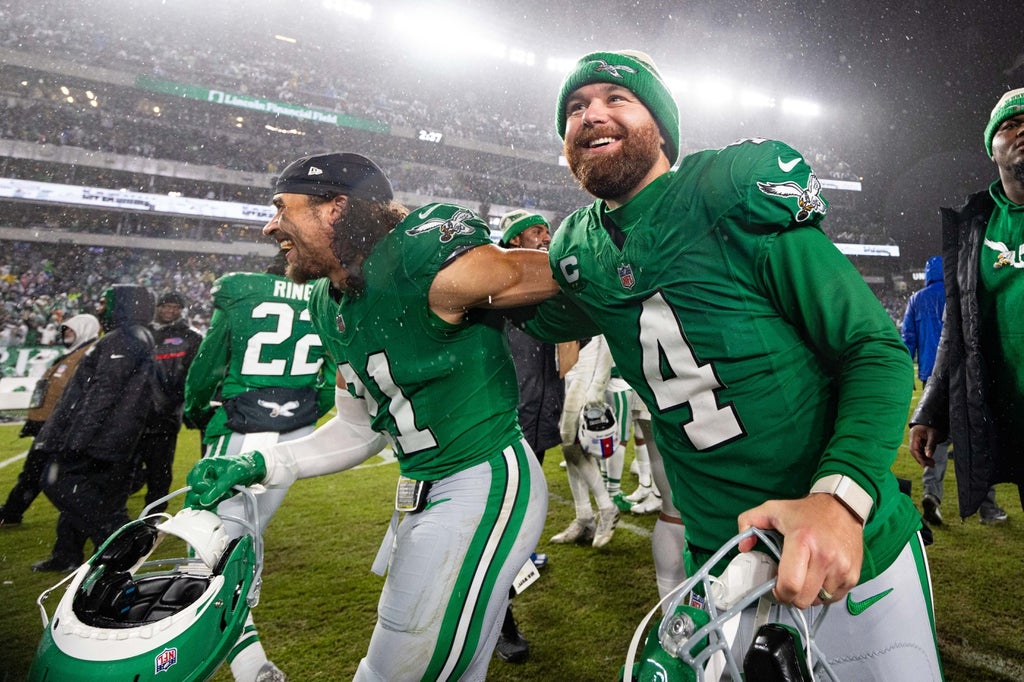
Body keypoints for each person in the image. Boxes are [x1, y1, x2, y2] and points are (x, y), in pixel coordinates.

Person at [519, 50, 941, 678]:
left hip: (843, 544)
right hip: (720, 557)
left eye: (615, 98)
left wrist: (839, 500)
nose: (591, 114)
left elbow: (873, 348)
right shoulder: (580, 249)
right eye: (575, 108)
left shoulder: (726, 195)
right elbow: (517, 306)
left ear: (659, 124)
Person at [185, 152, 557, 681]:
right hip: (419, 491)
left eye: (281, 207)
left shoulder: (419, 256)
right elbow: (358, 428)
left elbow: (566, 274)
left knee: (395, 668)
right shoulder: (323, 299)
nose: (270, 225)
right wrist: (263, 463)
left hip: (482, 479)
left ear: (335, 208)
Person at [183, 253, 334, 682]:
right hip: (293, 433)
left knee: (208, 546)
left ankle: (248, 664)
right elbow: (331, 378)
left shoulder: (241, 291)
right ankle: (246, 657)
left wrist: (196, 407)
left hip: (242, 427)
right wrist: (301, 411)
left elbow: (209, 362)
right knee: (243, 541)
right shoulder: (324, 297)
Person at [910, 87, 1024, 525]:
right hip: (1006, 420)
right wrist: (934, 409)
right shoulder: (972, 224)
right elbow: (956, 328)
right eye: (1010, 125)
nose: (1021, 131)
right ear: (991, 146)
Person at [32, 284, 156, 572]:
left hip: (103, 438)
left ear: (124, 304)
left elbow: (103, 394)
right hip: (119, 436)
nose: (100, 308)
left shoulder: (122, 339)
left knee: (62, 485)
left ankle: (121, 541)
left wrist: (76, 439)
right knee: (98, 493)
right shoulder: (135, 337)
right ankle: (69, 553)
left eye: (105, 302)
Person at [494, 209, 564, 664]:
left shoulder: (545, 281)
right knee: (496, 528)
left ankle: (511, 581)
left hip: (535, 418)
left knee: (519, 522)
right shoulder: (495, 279)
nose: (546, 236)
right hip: (499, 425)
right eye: (539, 229)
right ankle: (498, 622)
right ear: (517, 235)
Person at [903, 257, 1006, 526]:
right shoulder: (965, 292)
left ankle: (931, 496)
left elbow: (908, 339)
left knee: (932, 442)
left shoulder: (917, 299)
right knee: (976, 440)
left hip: (932, 377)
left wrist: (908, 375)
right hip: (967, 377)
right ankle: (987, 507)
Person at [0, 314, 100, 527]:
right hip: (51, 424)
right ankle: (12, 511)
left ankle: (13, 512)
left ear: (84, 329)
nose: (66, 335)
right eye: (65, 331)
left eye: (70, 330)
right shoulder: (73, 354)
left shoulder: (86, 355)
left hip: (59, 426)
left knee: (42, 474)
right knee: (37, 473)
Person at [131, 290, 203, 514]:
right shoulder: (142, 333)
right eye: (166, 306)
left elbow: (194, 376)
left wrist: (177, 401)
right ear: (157, 308)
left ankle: (154, 514)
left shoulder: (192, 337)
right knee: (125, 466)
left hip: (165, 413)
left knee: (159, 469)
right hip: (134, 412)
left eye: (175, 307)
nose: (170, 311)